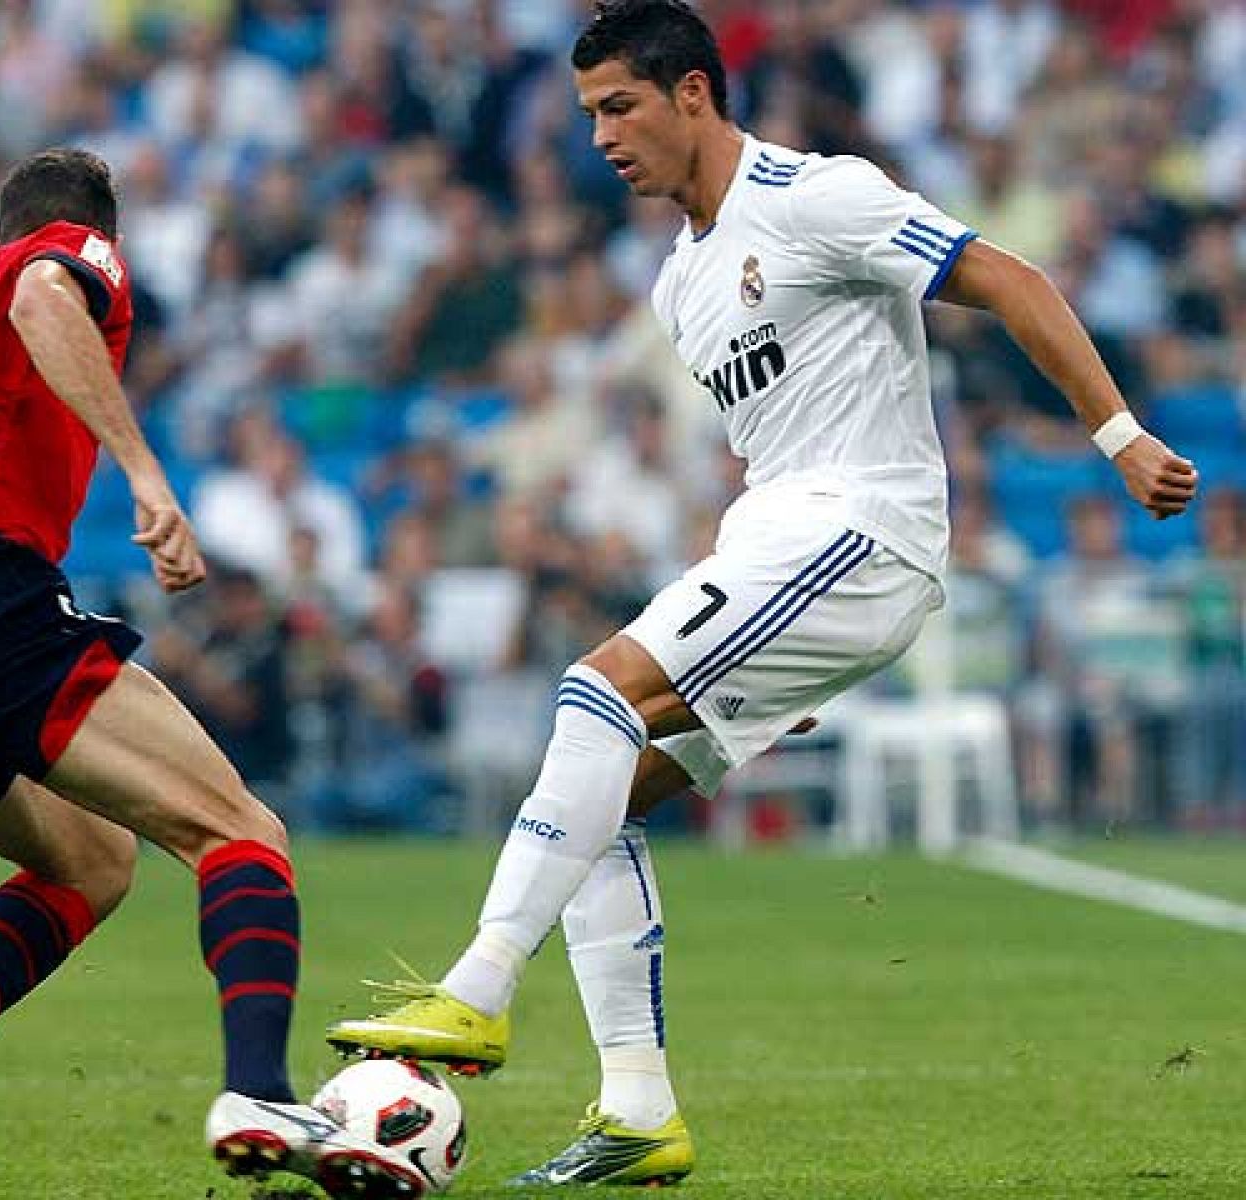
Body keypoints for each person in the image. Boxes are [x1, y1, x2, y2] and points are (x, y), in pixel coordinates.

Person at [326, 0, 1199, 1186]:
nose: (601, 137)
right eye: (588, 114)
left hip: (867, 527)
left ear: (694, 94)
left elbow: (1012, 279)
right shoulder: (678, 284)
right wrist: (756, 651)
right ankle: (638, 1114)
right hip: (788, 546)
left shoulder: (817, 196)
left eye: (620, 106)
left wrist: (1120, 437)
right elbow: (773, 458)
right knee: (599, 802)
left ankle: (477, 987)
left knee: (595, 692)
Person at [0, 149, 426, 1200]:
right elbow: (40, 289)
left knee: (94, 863)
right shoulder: (57, 256)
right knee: (239, 831)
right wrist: (146, 475)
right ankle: (257, 1088)